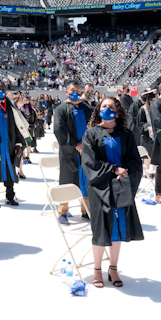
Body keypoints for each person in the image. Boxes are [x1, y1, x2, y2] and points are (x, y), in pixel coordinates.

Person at [81, 96, 143, 289]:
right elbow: (89, 162)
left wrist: (126, 172)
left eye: (112, 107)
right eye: (104, 106)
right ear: (99, 109)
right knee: (101, 229)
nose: (107, 109)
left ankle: (113, 268)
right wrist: (113, 170)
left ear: (118, 111)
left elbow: (134, 159)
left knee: (118, 228)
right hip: (100, 187)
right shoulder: (90, 134)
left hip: (121, 185)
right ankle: (97, 270)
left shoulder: (125, 134)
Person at [53, 81, 93, 223]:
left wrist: (86, 144)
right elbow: (59, 130)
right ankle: (63, 212)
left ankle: (86, 211)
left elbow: (93, 127)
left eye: (77, 90)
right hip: (69, 152)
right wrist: (74, 145)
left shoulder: (87, 108)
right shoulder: (61, 109)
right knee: (67, 180)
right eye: (72, 90)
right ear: (66, 92)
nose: (75, 93)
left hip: (86, 151)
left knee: (87, 180)